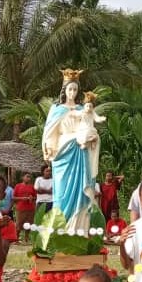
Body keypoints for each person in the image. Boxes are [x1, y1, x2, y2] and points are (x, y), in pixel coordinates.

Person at [41, 71, 102, 233]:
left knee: (81, 191)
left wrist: (93, 138)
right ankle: (61, 230)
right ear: (64, 90)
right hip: (63, 153)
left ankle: (79, 230)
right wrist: (48, 148)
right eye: (70, 89)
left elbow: (90, 126)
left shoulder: (84, 109)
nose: (72, 93)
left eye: (75, 90)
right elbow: (49, 132)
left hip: (80, 153)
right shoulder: (57, 109)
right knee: (61, 193)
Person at [12, 172, 37, 243]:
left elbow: (36, 197)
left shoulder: (32, 187)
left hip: (30, 208)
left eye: (29, 177)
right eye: (27, 176)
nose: (28, 178)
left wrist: (32, 198)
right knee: (19, 224)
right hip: (20, 208)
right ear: (23, 177)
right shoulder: (18, 186)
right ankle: (16, 239)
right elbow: (13, 197)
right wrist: (22, 198)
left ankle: (26, 238)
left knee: (29, 224)